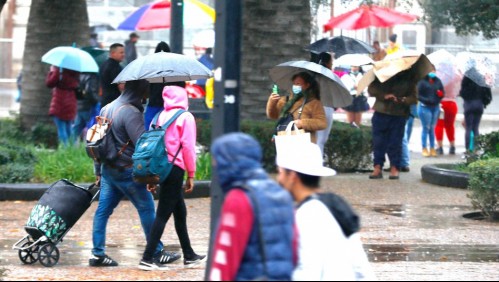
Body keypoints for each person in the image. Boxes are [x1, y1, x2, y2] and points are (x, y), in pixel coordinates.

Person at [90, 79, 178, 267]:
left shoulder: (107, 108)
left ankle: (97, 254)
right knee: (146, 208)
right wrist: (150, 175)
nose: (148, 93)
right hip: (127, 171)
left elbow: (97, 141)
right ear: (139, 90)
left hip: (108, 170)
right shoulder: (131, 113)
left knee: (102, 212)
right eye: (146, 89)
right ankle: (156, 251)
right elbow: (142, 146)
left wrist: (97, 170)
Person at [276, 142, 375, 281]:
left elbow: (308, 271)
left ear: (292, 176)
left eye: (280, 172)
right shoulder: (335, 205)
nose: (278, 179)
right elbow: (361, 265)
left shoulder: (306, 215)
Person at [208, 132, 296, 281]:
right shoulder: (281, 194)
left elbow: (224, 259)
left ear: (227, 162)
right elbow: (294, 248)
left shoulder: (238, 198)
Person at [139, 85, 205, 270]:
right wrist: (191, 174)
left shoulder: (158, 116)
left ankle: (189, 254)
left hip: (159, 167)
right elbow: (189, 149)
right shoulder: (185, 117)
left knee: (180, 212)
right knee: (162, 214)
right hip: (175, 169)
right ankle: (147, 257)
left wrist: (151, 177)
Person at [368, 68, 419, 180]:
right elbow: (372, 90)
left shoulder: (409, 77)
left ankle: (394, 168)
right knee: (378, 142)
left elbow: (414, 98)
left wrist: (403, 100)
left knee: (395, 143)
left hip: (398, 113)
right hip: (381, 111)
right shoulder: (381, 73)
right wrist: (384, 95)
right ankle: (377, 167)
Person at [266, 72, 327, 144]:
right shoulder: (285, 100)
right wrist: (272, 102)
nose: (295, 86)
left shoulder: (314, 103)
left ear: (307, 85)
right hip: (284, 141)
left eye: (298, 84)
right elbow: (272, 115)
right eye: (294, 84)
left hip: (304, 144)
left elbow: (322, 123)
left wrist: (302, 123)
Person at [45, 65, 80, 147]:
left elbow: (49, 83)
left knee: (61, 129)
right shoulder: (75, 72)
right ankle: (72, 150)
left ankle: (65, 149)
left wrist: (53, 71)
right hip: (71, 102)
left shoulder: (59, 71)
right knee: (69, 128)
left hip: (59, 102)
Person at [459, 75, 492, 153]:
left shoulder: (467, 77)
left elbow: (462, 92)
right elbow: (488, 94)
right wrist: (484, 103)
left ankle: (468, 150)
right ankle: (476, 149)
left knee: (468, 128)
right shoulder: (481, 78)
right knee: (476, 128)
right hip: (479, 104)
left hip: (469, 104)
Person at [417, 69, 444, 157]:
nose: (433, 72)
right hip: (425, 107)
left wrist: (440, 95)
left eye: (434, 70)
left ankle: (432, 147)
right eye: (431, 70)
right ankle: (424, 148)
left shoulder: (438, 81)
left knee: (432, 128)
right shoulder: (422, 81)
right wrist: (427, 100)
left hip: (435, 106)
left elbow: (442, 92)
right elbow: (418, 94)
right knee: (426, 128)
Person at [144, 41, 171, 130]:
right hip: (167, 105)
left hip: (153, 103)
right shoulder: (172, 69)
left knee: (149, 129)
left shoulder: (150, 68)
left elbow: (146, 87)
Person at [435, 73, 461, 155]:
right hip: (452, 103)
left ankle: (440, 147)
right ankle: (452, 146)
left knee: (439, 125)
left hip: (441, 104)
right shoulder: (456, 77)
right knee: (450, 126)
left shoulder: (438, 77)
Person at [315, 52, 335, 157]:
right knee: (321, 139)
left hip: (314, 108)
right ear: (327, 63)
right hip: (326, 107)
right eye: (331, 61)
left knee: (316, 137)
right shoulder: (330, 77)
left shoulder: (313, 76)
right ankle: (317, 163)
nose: (332, 63)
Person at [72, 72, 100, 143]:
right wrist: (98, 101)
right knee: (91, 127)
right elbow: (90, 91)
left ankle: (72, 146)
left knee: (77, 128)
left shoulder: (79, 75)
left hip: (79, 105)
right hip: (89, 106)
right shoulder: (92, 76)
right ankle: (89, 147)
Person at [100, 43, 125, 108]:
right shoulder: (115, 66)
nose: (123, 55)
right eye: (121, 53)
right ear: (113, 53)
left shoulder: (103, 64)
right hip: (113, 103)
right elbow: (121, 86)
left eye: (123, 53)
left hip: (104, 101)